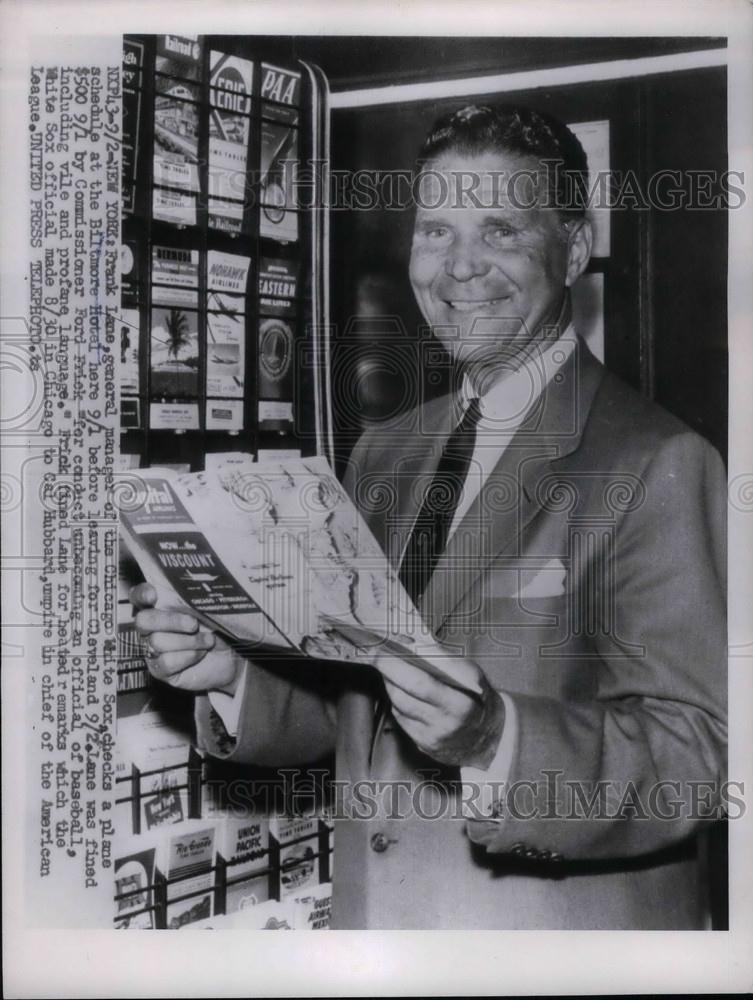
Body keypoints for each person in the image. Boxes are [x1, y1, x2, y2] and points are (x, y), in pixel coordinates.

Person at [132, 104, 727, 929]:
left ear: (574, 249)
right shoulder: (386, 450)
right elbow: (364, 698)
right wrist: (231, 675)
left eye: (500, 232)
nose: (458, 268)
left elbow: (699, 752)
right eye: (435, 230)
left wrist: (497, 740)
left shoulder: (657, 461)